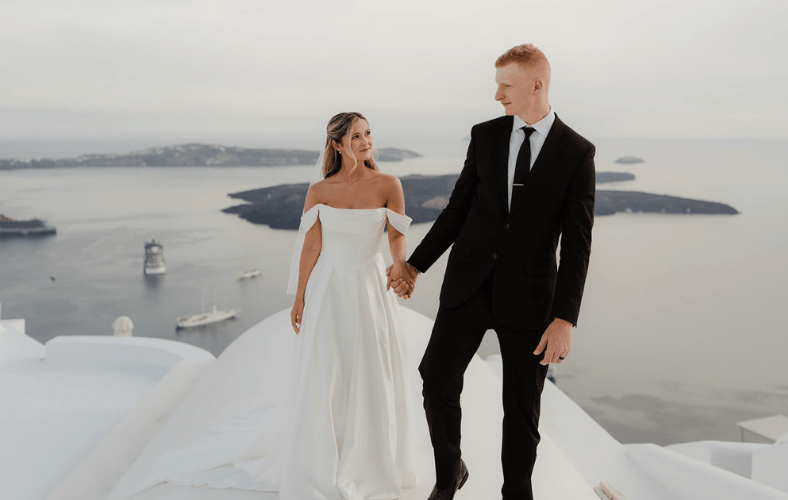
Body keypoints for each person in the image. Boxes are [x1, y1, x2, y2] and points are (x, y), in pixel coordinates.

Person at [128, 112, 417, 499]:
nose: (366, 142)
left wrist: (399, 263)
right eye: (356, 136)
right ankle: (323, 454)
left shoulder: (388, 184)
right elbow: (312, 246)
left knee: (368, 363)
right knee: (326, 367)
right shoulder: (319, 191)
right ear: (336, 144)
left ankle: (368, 455)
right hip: (327, 287)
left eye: (368, 134)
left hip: (367, 286)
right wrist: (299, 296)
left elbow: (396, 235)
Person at [387, 44, 595, 500]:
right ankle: (449, 476)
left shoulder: (578, 152)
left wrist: (565, 319)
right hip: (467, 285)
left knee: (522, 409)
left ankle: (516, 494)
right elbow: (457, 209)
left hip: (532, 300)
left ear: (536, 85)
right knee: (435, 379)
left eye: (506, 85)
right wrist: (416, 265)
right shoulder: (484, 136)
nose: (497, 95)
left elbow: (578, 244)